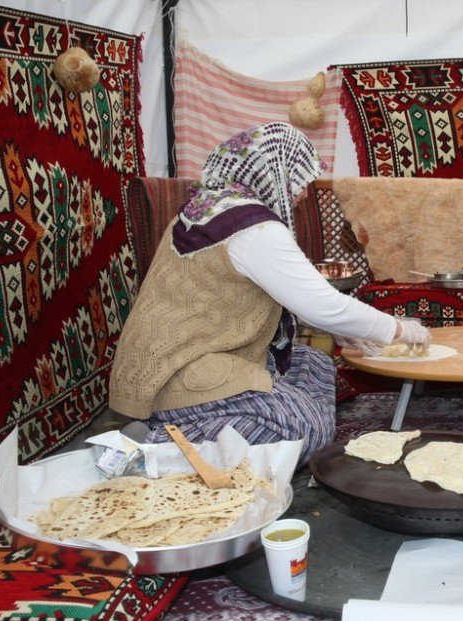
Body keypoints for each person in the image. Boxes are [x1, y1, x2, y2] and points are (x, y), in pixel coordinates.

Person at [109, 122, 431, 463]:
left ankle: (187, 421)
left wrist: (337, 330)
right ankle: (159, 444)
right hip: (186, 370)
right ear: (274, 174)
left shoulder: (207, 207)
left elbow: (285, 295)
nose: (304, 193)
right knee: (306, 431)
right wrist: (399, 329)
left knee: (315, 365)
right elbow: (323, 304)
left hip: (173, 362)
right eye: (299, 180)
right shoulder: (255, 228)